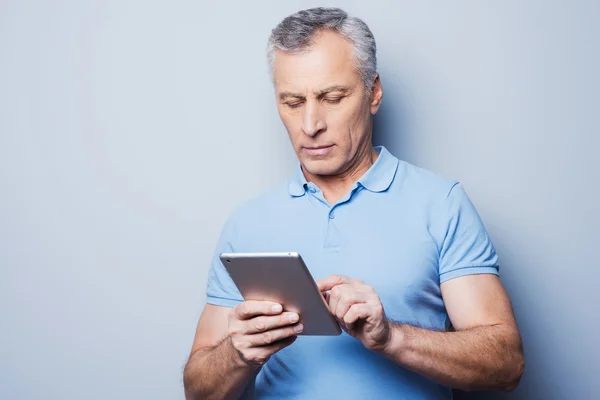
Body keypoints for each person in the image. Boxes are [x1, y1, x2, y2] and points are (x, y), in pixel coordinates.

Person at [183, 7, 524, 400]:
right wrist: (236, 355)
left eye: (332, 97)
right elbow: (199, 392)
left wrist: (391, 337)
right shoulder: (247, 223)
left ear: (373, 92)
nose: (311, 125)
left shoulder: (442, 204)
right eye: (293, 102)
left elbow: (507, 364)